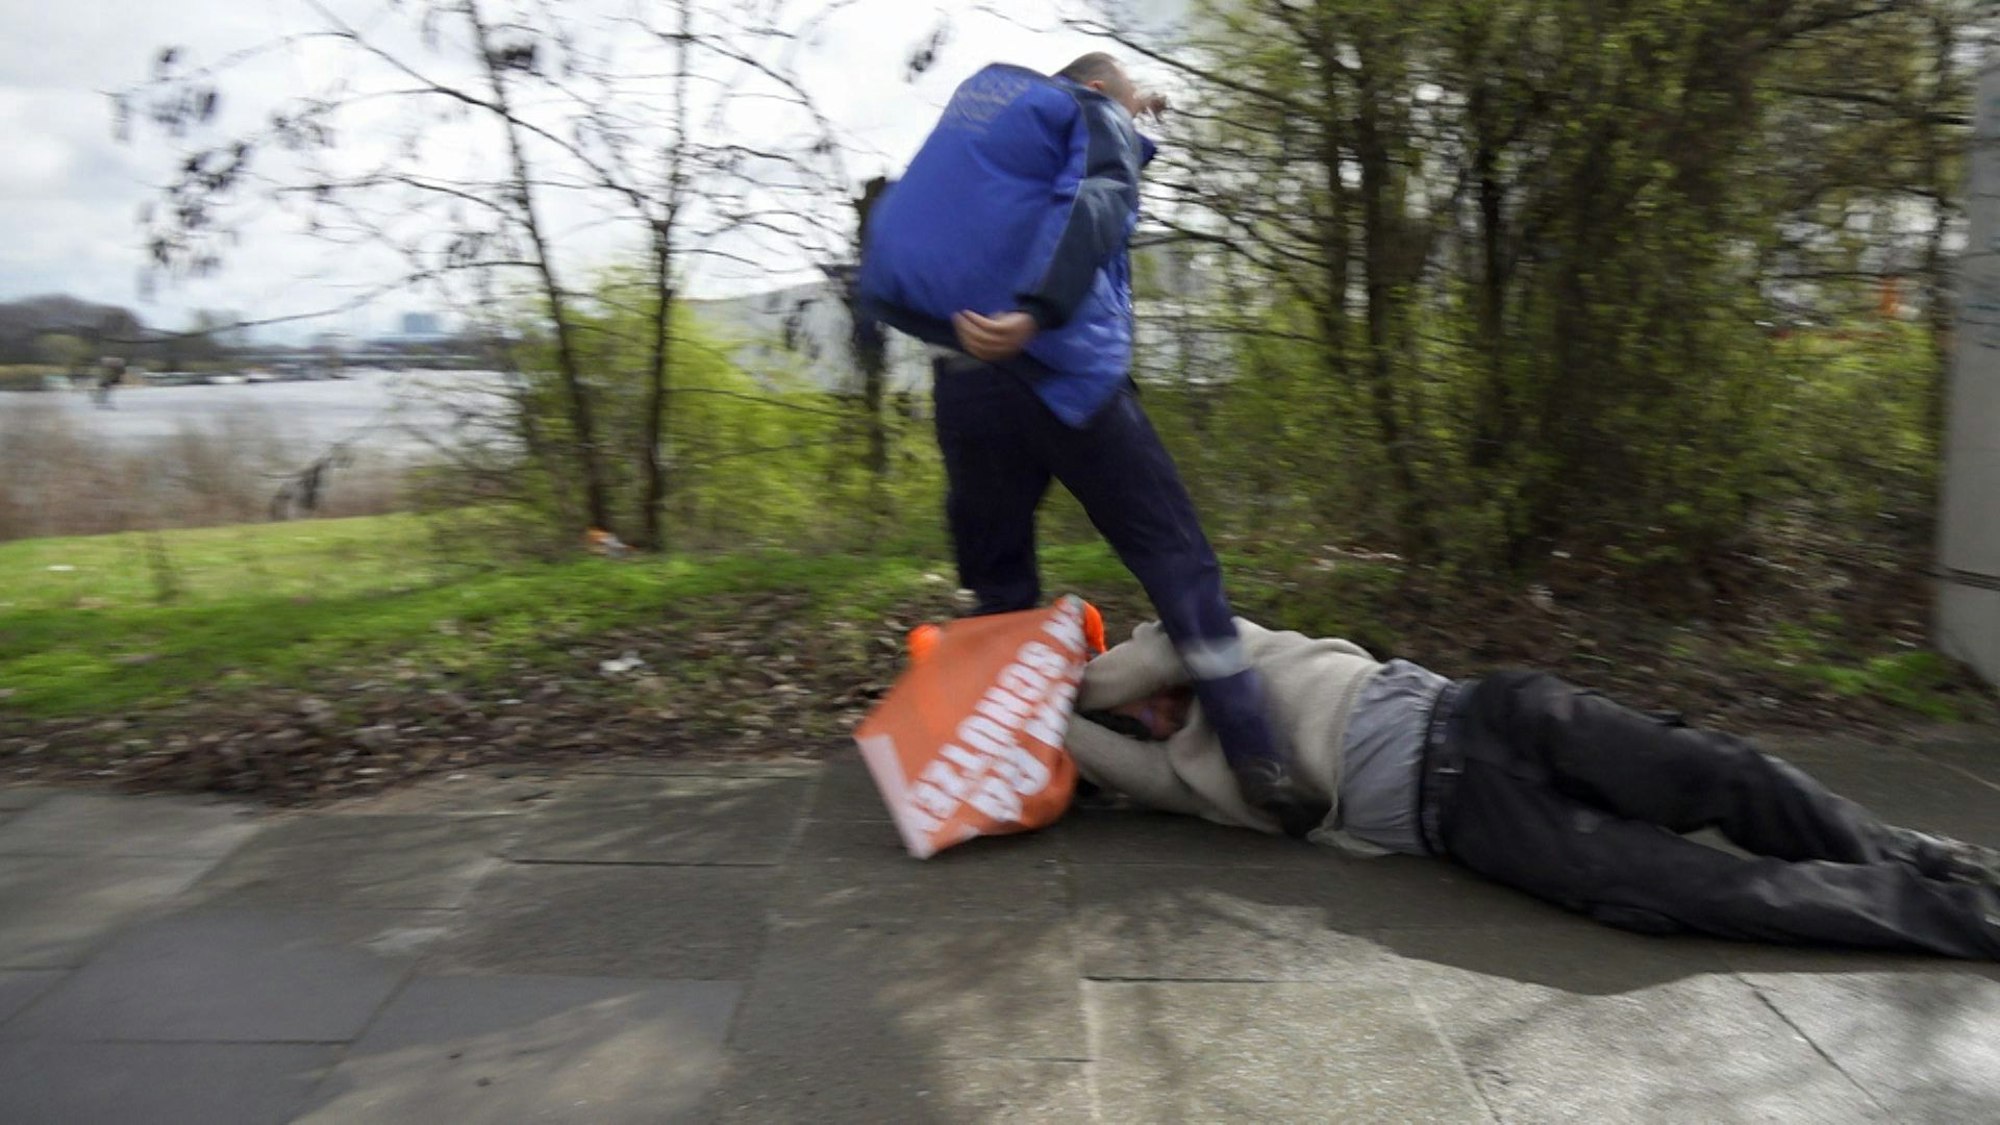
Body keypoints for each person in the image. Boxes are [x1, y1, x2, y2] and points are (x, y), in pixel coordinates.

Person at [859, 53, 1310, 825]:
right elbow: (1101, 198)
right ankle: (1255, 755)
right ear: (1103, 91)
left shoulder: (987, 122)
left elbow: (887, 269)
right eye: (1130, 107)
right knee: (1177, 561)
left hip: (965, 386)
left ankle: (1007, 766)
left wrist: (960, 330)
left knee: (1000, 584)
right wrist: (1038, 310)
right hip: (1067, 381)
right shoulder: (1087, 107)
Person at [1066, 618, 2000, 959]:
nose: (1145, 719)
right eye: (1128, 725)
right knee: (1681, 889)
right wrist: (1048, 723)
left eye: (1137, 705)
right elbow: (1113, 757)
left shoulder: (1204, 636)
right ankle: (1966, 920)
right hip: (1472, 818)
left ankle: (1924, 855)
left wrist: (1058, 677)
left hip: (1494, 714)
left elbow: (1147, 660)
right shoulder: (1183, 775)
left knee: (1724, 771)